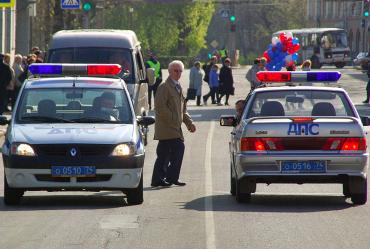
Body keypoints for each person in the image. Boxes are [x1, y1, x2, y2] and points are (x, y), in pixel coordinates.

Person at [151, 60, 196, 187]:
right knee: (176, 150)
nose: (178, 73)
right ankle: (169, 178)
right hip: (167, 128)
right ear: (169, 71)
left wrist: (189, 123)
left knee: (165, 154)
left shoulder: (178, 86)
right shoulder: (164, 86)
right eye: (175, 70)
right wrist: (173, 119)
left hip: (174, 127)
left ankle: (162, 179)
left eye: (180, 71)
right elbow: (160, 108)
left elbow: (183, 109)